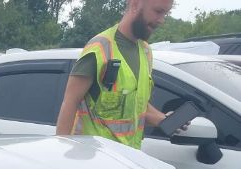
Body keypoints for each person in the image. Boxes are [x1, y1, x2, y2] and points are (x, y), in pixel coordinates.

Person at [56, 0, 183, 150]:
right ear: (135, 4)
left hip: (128, 160)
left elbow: (135, 106)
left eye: (165, 14)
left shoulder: (146, 52)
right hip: (94, 160)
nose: (161, 20)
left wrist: (163, 119)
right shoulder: (99, 48)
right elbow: (70, 102)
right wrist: (61, 154)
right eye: (158, 12)